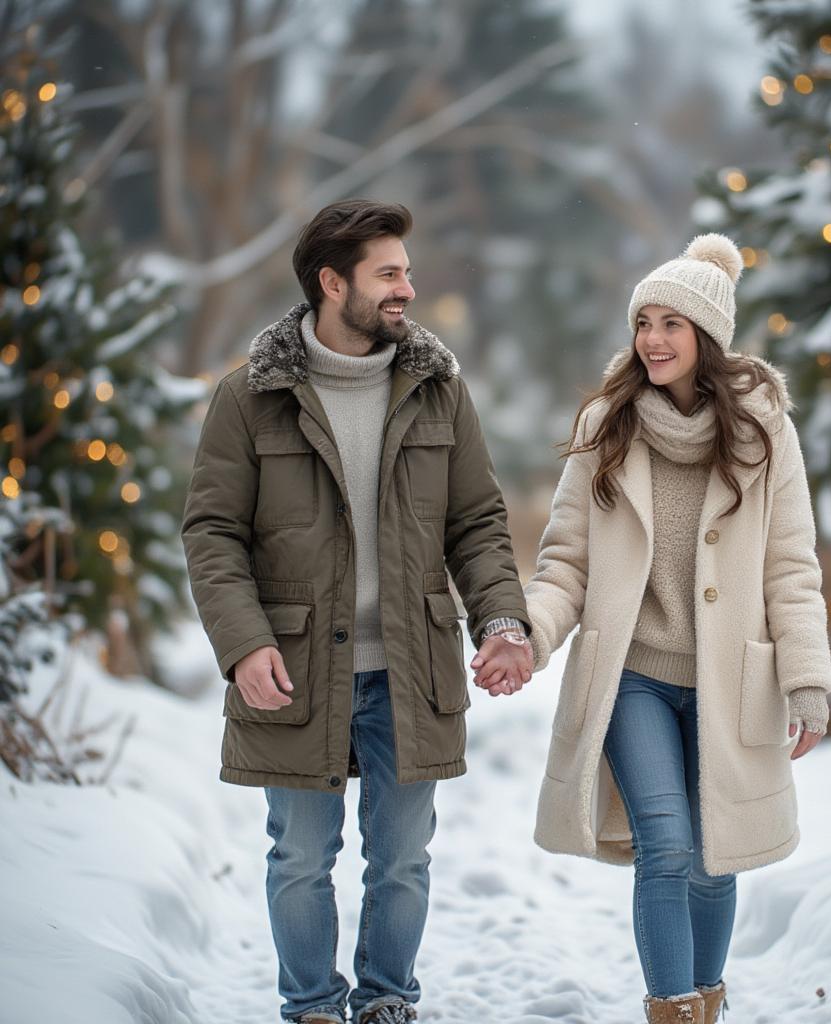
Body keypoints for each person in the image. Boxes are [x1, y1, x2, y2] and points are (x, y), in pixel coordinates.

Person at [181, 199, 533, 1024]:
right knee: (300, 858)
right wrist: (242, 644)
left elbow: (477, 522)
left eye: (406, 270)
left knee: (403, 860)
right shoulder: (250, 396)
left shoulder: (440, 390)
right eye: (389, 273)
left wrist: (503, 621)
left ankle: (386, 1003)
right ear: (331, 283)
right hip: (297, 668)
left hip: (412, 669)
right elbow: (213, 532)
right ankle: (310, 1007)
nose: (408, 286)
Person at [473, 233, 831, 1024]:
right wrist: (526, 637)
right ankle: (671, 1010)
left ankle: (706, 1003)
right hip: (634, 676)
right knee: (666, 846)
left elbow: (791, 567)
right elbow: (564, 563)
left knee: (715, 856)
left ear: (707, 337)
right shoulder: (608, 427)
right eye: (645, 320)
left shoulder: (764, 433)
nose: (653, 338)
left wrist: (807, 678)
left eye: (673, 322)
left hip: (728, 678)